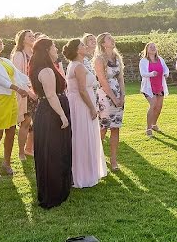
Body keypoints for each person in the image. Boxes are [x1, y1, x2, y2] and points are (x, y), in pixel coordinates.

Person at [0, 34, 32, 179]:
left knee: (10, 132)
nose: (1, 42)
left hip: (11, 99)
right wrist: (17, 88)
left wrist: (31, 84)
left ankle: (7, 163)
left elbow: (19, 75)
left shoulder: (5, 61)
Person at [29, 38, 72, 208]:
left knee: (57, 151)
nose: (56, 49)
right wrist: (62, 115)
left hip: (49, 110)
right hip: (51, 113)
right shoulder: (45, 70)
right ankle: (53, 192)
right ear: (47, 49)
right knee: (53, 153)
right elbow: (51, 95)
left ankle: (60, 188)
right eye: (54, 46)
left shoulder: (44, 68)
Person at [64, 38, 107, 188]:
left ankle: (86, 171)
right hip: (82, 104)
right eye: (82, 45)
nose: (85, 46)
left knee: (82, 135)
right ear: (77, 50)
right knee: (83, 136)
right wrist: (92, 108)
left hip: (78, 102)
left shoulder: (75, 65)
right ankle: (83, 174)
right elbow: (82, 90)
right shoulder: (78, 67)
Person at [94, 33, 126, 171]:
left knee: (116, 127)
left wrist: (122, 96)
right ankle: (97, 158)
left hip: (118, 94)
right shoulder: (99, 59)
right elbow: (102, 81)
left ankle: (113, 160)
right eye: (109, 39)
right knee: (104, 127)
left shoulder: (117, 57)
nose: (112, 40)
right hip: (105, 96)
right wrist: (113, 98)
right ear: (102, 43)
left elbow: (120, 78)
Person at [11, 29, 36, 161]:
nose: (32, 37)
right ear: (23, 39)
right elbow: (18, 76)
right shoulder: (19, 55)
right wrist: (29, 92)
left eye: (33, 36)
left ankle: (29, 148)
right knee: (25, 122)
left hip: (36, 91)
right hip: (24, 93)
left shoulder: (35, 54)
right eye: (29, 36)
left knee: (35, 122)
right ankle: (21, 152)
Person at [139, 42, 169, 137]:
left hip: (159, 86)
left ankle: (154, 124)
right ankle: (148, 128)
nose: (153, 48)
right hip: (149, 87)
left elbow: (166, 69)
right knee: (153, 105)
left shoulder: (160, 59)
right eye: (150, 47)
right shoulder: (143, 61)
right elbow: (143, 73)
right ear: (146, 50)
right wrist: (151, 74)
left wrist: (166, 73)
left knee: (159, 107)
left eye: (154, 47)